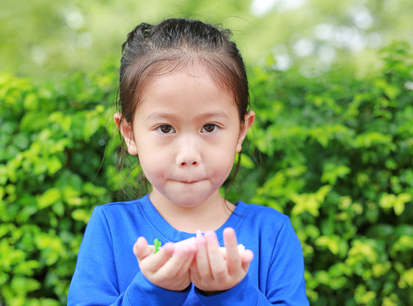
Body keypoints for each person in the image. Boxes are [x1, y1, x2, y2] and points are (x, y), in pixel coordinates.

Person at [68, 18, 309, 305]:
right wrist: (153, 291)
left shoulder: (272, 233)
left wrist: (231, 293)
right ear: (130, 134)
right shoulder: (109, 227)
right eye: (165, 128)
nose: (188, 156)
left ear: (241, 131)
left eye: (209, 127)